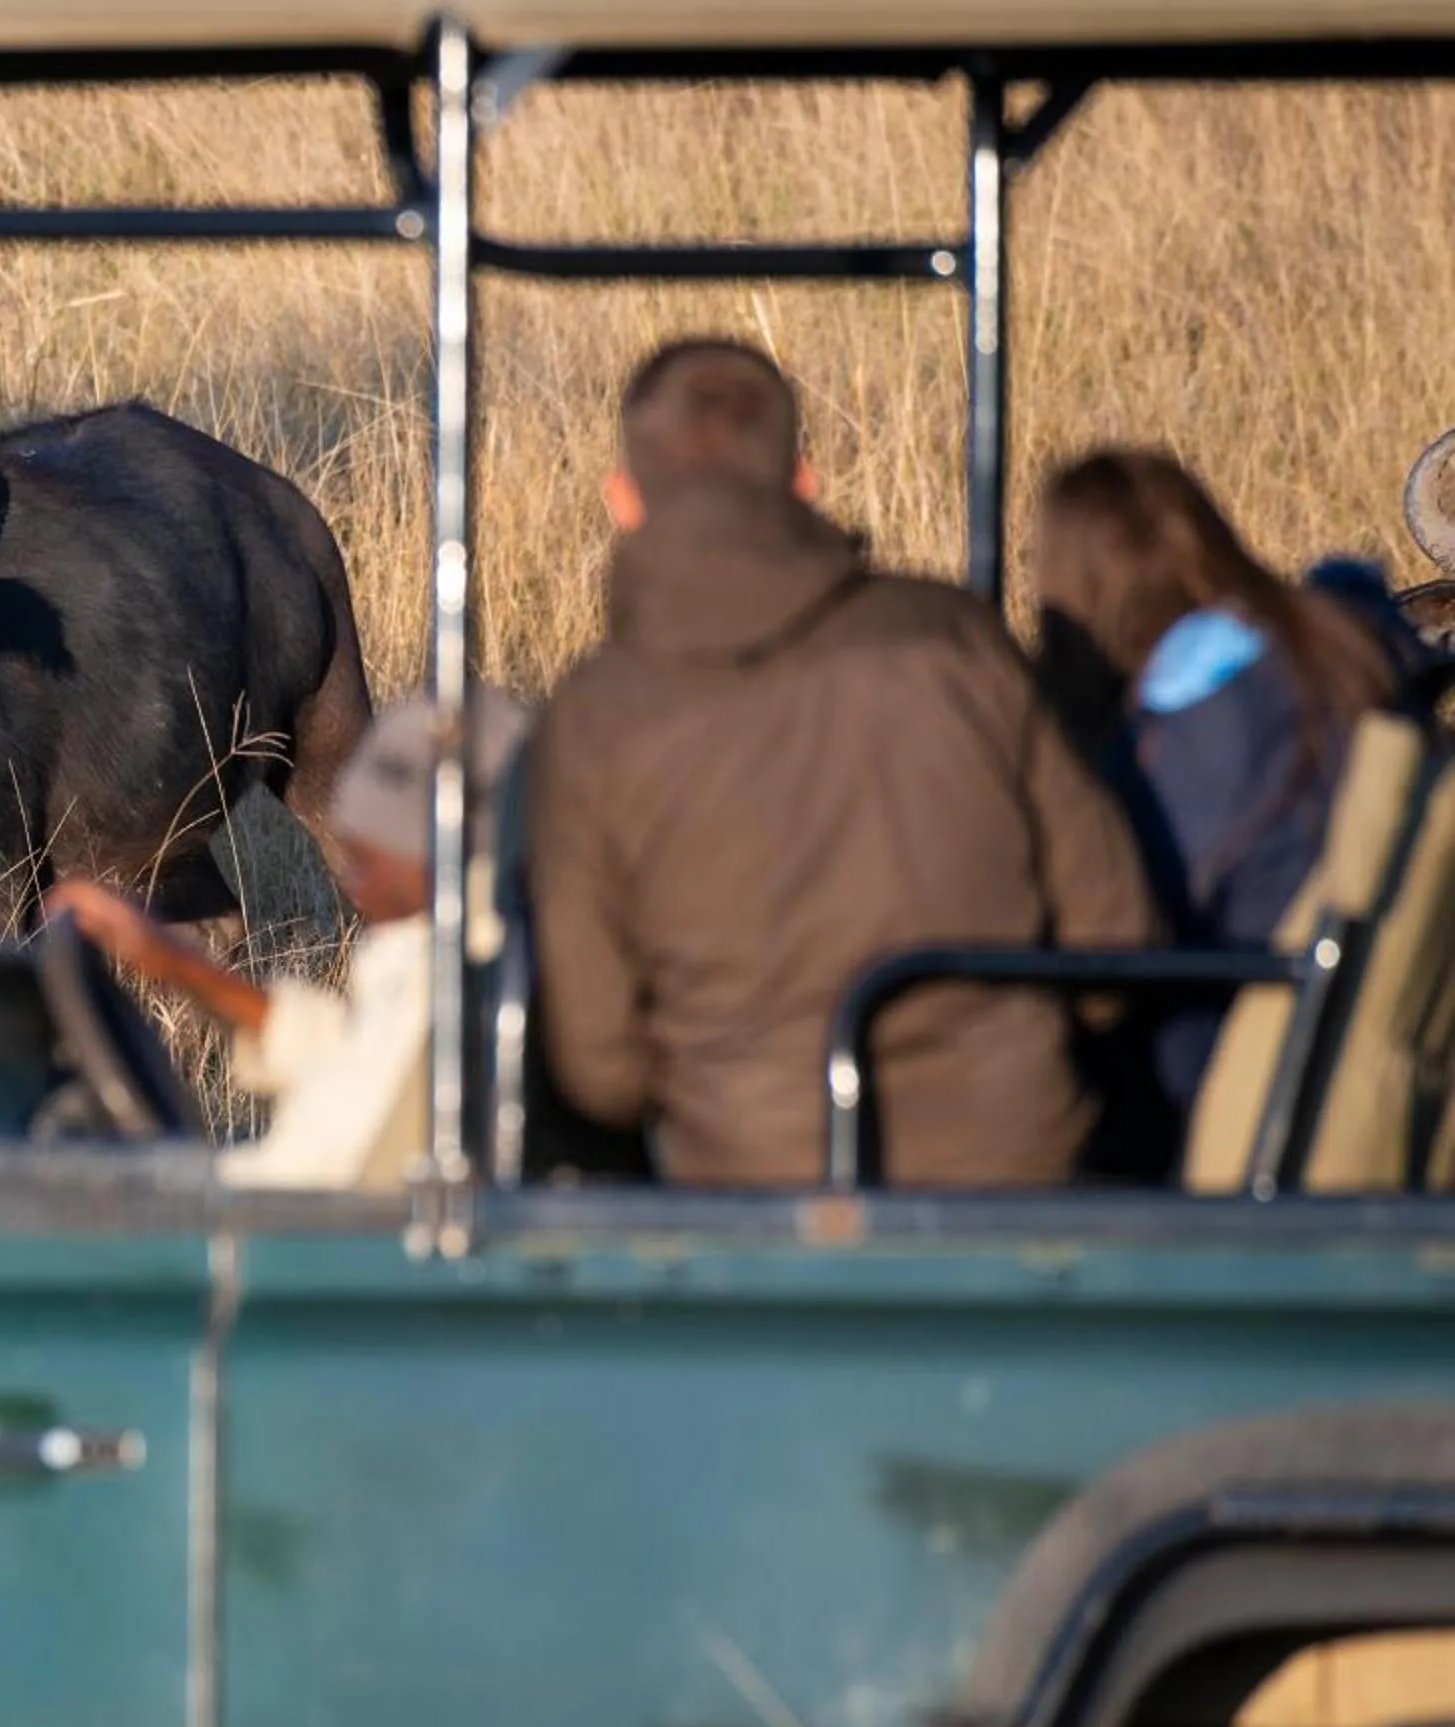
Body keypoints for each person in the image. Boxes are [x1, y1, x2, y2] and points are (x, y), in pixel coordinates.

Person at [523, 339, 1157, 1189]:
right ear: (805, 481)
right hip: (1019, 1170)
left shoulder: (595, 714)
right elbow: (1116, 940)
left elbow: (601, 1066)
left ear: (623, 500)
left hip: (749, 1186)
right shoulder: (955, 637)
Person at [1033, 449, 1405, 1111]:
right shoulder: (1346, 657)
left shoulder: (1181, 754)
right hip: (1371, 1069)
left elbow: (1113, 945)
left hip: (1226, 1092)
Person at [45, 701, 452, 1192]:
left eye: (367, 861)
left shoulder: (450, 991)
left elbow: (326, 1166)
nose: (350, 880)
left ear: (435, 858)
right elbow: (347, 1059)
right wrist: (175, 964)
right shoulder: (432, 961)